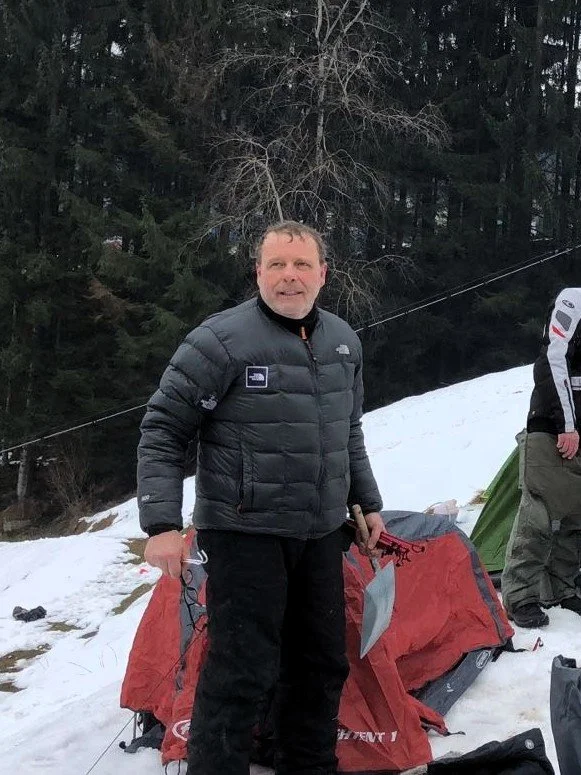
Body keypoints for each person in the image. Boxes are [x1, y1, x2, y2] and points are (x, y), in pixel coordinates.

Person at [137, 220, 384, 775]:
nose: (289, 277)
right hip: (243, 532)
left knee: (320, 665)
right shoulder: (220, 341)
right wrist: (160, 525)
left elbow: (349, 431)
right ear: (258, 272)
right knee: (241, 670)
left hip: (321, 533)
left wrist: (366, 503)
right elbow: (162, 428)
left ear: (323, 274)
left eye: (301, 265)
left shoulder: (343, 342)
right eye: (276, 264)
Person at [501, 287, 581, 628]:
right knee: (539, 514)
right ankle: (520, 596)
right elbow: (553, 359)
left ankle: (561, 589)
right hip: (554, 427)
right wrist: (566, 423)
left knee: (575, 517)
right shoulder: (573, 300)